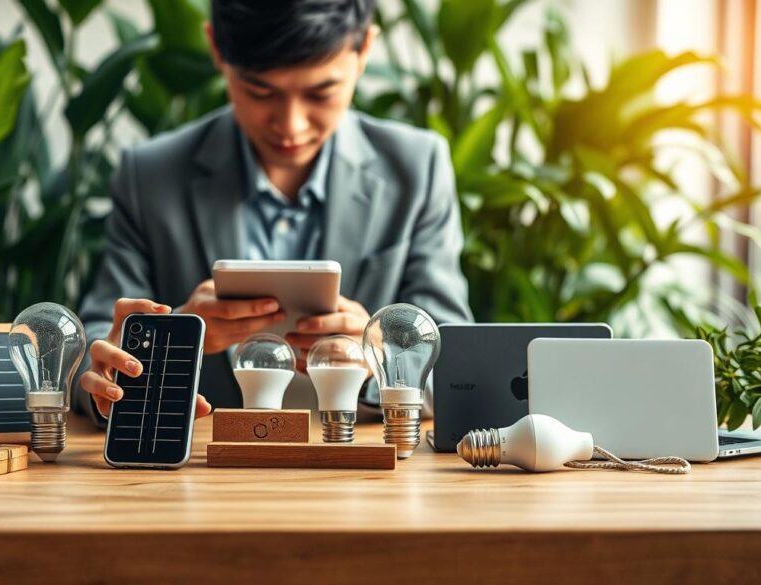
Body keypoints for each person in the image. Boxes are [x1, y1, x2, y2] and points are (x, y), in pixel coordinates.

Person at [76, 0, 472, 422]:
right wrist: (163, 344)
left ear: (365, 50)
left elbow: (461, 370)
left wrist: (382, 363)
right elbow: (95, 349)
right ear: (216, 49)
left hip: (366, 471)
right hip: (202, 473)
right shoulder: (150, 176)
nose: (291, 125)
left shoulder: (417, 169)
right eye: (260, 92)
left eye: (321, 92)